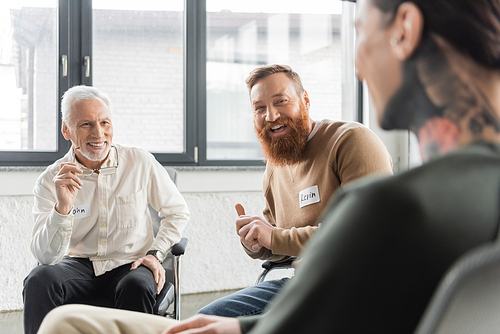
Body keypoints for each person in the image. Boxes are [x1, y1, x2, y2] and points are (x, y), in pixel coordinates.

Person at [37, 0, 500, 332]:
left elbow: (339, 300)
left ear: (405, 28)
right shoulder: (467, 190)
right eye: (260, 107)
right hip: (300, 296)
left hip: (308, 304)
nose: (357, 64)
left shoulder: (386, 202)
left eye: (360, 31)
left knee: (66, 322)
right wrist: (263, 245)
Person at [197, 64, 393, 317]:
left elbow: (363, 233)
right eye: (259, 108)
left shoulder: (351, 141)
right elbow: (281, 241)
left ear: (305, 100)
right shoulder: (275, 166)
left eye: (281, 101)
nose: (271, 115)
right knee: (205, 323)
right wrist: (257, 243)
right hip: (308, 284)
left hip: (366, 289)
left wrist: (274, 237)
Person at [23, 85, 190, 334]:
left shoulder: (139, 162)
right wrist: (63, 208)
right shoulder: (50, 180)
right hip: (77, 266)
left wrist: (156, 253)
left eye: (104, 122)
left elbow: (177, 212)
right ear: (66, 130)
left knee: (137, 285)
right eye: (86, 124)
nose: (98, 133)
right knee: (39, 280)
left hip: (130, 263)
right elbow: (45, 257)